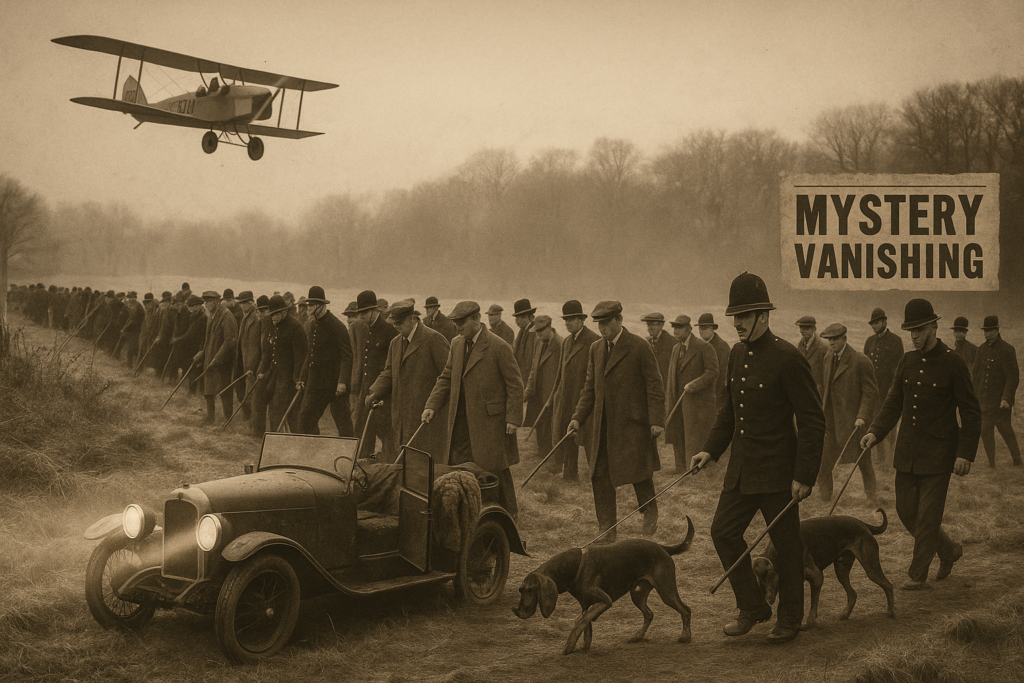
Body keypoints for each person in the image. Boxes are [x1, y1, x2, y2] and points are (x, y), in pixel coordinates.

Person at [691, 272, 824, 645]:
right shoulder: (735, 354)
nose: (738, 324)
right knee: (722, 532)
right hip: (741, 473)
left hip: (780, 475)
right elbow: (728, 415)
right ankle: (753, 607)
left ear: (764, 315)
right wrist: (710, 450)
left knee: (787, 546)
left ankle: (790, 619)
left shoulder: (788, 357)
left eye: (745, 316)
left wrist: (804, 475)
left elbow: (813, 419)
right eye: (735, 316)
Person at [861, 299, 981, 590]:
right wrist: (875, 432)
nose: (913, 336)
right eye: (910, 330)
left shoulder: (953, 362)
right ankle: (950, 550)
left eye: (919, 329)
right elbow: (893, 403)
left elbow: (970, 411)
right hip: (908, 452)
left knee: (927, 516)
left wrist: (965, 454)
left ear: (934, 327)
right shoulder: (907, 360)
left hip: (940, 454)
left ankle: (918, 573)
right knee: (906, 512)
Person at [569, 301, 665, 541]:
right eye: (599, 324)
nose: (603, 329)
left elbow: (654, 385)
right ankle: (607, 528)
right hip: (602, 427)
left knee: (639, 472)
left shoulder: (639, 347)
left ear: (619, 321)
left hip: (632, 424)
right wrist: (577, 417)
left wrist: (656, 420)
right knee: (599, 475)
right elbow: (589, 388)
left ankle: (650, 511)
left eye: (607, 323)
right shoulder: (596, 349)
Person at [424, 301, 524, 517]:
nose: (458, 327)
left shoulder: (498, 346)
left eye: (461, 322)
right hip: (460, 421)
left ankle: (508, 514)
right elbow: (447, 377)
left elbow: (515, 384)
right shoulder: (456, 344)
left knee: (495, 469)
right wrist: (432, 404)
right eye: (455, 322)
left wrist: (513, 419)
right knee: (461, 468)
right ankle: (469, 513)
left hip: (490, 423)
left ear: (477, 319)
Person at [368, 300, 450, 460]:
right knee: (404, 462)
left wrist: (434, 405)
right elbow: (389, 371)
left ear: (412, 318)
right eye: (394, 323)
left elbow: (448, 375)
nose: (396, 327)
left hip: (426, 418)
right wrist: (375, 390)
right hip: (401, 417)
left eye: (400, 322)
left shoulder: (433, 339)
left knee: (425, 463)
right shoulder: (395, 343)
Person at [817, 323, 879, 502]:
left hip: (854, 424)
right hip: (830, 424)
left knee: (864, 462)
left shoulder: (860, 360)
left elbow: (870, 393)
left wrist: (862, 416)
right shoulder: (828, 358)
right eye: (829, 339)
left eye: (835, 339)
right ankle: (825, 498)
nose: (832, 342)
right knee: (824, 462)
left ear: (844, 339)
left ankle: (872, 497)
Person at [551, 300, 601, 482]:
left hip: (586, 399)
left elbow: (595, 376)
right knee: (568, 437)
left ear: (581, 319)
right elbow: (561, 374)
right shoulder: (566, 342)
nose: (568, 323)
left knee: (589, 440)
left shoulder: (593, 341)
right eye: (566, 319)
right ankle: (570, 475)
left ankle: (597, 475)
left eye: (572, 319)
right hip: (567, 398)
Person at [297, 286, 354, 437]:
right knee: (306, 418)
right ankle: (311, 453)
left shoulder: (337, 326)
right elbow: (310, 354)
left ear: (321, 305)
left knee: (343, 423)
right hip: (315, 383)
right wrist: (303, 378)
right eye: (308, 304)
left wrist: (342, 381)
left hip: (335, 384)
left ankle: (348, 455)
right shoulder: (310, 324)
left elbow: (347, 356)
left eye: (311, 305)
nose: (308, 308)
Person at [664, 314, 719, 473]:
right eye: (674, 327)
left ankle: (695, 470)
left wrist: (694, 384)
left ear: (689, 329)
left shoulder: (703, 347)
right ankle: (680, 468)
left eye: (679, 327)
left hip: (698, 405)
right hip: (678, 402)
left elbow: (713, 372)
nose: (676, 331)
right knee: (678, 434)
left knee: (694, 438)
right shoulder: (676, 348)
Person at [353, 290, 399, 459]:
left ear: (375, 310)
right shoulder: (365, 329)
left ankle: (393, 462)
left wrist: (381, 392)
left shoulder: (389, 331)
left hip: (383, 392)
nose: (362, 316)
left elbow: (392, 366)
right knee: (363, 428)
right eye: (360, 313)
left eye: (364, 312)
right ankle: (364, 461)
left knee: (384, 429)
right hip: (367, 389)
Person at [253, 295, 308, 435]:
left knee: (282, 411)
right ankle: (262, 435)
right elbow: (268, 351)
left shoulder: (296, 328)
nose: (273, 317)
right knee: (260, 398)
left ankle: (286, 441)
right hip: (273, 374)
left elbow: (301, 357)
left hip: (289, 378)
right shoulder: (272, 325)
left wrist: (298, 379)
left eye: (276, 314)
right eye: (271, 314)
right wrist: (262, 370)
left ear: (284, 312)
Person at [972, 315, 1021, 468]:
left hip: (1000, 402)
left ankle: (1017, 459)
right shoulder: (981, 349)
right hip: (984, 401)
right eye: (985, 330)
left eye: (990, 330)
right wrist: (975, 397)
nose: (986, 334)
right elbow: (976, 375)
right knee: (985, 431)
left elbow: (1013, 377)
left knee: (1005, 430)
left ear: (997, 330)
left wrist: (1006, 398)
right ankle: (991, 462)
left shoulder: (1007, 349)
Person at [864, 307, 904, 466]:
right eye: (872, 323)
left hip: (889, 389)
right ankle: (880, 457)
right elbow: (866, 367)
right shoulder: (870, 341)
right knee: (875, 420)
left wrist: (894, 389)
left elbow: (899, 368)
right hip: (874, 390)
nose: (875, 326)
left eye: (877, 322)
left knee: (890, 420)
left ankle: (892, 451)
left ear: (885, 321)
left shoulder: (896, 341)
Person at [193, 291, 238, 425]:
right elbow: (208, 339)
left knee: (224, 390)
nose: (206, 305)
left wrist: (217, 358)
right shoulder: (211, 316)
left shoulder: (227, 316)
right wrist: (202, 352)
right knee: (209, 390)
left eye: (208, 302)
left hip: (223, 361)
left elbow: (229, 341)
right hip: (210, 359)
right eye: (205, 302)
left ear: (216, 302)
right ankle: (210, 418)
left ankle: (228, 419)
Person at [524, 315, 563, 460]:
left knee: (551, 426)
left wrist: (554, 396)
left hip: (551, 394)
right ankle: (543, 452)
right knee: (540, 425)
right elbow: (533, 369)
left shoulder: (560, 344)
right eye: (536, 331)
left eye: (541, 331)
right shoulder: (538, 342)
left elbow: (562, 375)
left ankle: (553, 456)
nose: (538, 334)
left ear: (549, 328)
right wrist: (528, 390)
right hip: (537, 393)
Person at [698, 313, 732, 415]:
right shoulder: (700, 346)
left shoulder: (722, 347)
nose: (702, 331)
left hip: (716, 397)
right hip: (702, 397)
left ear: (713, 329)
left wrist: (717, 399)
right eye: (700, 328)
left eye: (706, 328)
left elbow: (722, 376)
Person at [642, 312, 677, 387]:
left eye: (653, 324)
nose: (650, 328)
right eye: (648, 325)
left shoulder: (673, 343)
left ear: (661, 325)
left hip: (666, 386)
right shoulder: (646, 343)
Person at [796, 315, 827, 399]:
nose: (802, 331)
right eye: (801, 328)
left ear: (814, 329)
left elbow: (826, 375)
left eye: (806, 328)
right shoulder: (801, 344)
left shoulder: (822, 348)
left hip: (817, 392)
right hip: (803, 389)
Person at [512, 298, 538, 382]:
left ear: (529, 317)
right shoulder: (522, 331)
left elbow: (529, 361)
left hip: (527, 378)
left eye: (520, 318)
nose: (517, 321)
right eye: (516, 318)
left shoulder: (533, 333)